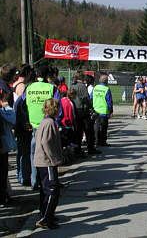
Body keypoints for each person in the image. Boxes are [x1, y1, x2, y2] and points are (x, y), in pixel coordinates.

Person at [24, 66, 61, 189]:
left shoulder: (29, 88)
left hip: (33, 124)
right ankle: (49, 180)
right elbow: (57, 105)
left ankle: (34, 180)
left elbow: (22, 103)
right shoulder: (51, 88)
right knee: (49, 153)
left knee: (34, 152)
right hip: (47, 123)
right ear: (47, 76)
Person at [34, 98, 63, 229]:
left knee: (45, 190)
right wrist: (54, 159)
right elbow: (46, 142)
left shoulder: (45, 121)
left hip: (42, 161)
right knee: (52, 190)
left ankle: (46, 214)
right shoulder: (50, 123)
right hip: (47, 162)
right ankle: (46, 218)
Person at [70, 71, 99, 156]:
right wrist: (91, 107)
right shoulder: (82, 86)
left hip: (75, 109)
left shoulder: (72, 85)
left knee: (78, 131)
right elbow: (85, 98)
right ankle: (91, 148)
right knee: (88, 130)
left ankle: (77, 149)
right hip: (82, 110)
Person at [0, 90, 16, 207]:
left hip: (3, 145)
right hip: (2, 146)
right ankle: (3, 196)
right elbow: (12, 119)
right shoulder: (3, 111)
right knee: (2, 172)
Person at [91, 74, 113, 147]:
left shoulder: (95, 88)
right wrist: (111, 111)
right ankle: (102, 141)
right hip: (103, 111)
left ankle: (96, 141)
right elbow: (109, 101)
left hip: (95, 110)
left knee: (96, 127)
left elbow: (91, 98)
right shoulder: (106, 89)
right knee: (104, 127)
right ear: (106, 81)